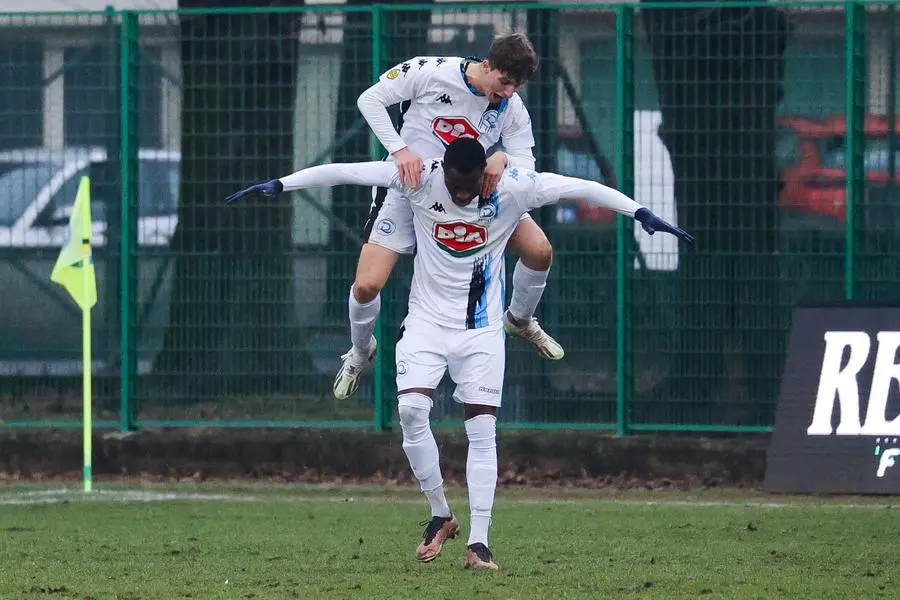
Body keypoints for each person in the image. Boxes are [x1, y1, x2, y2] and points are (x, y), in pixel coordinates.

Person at [225, 137, 694, 570]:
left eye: (471, 186)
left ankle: (479, 542)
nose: (463, 193)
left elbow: (582, 187)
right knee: (410, 410)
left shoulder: (511, 187)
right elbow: (347, 171)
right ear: (444, 171)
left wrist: (639, 213)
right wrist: (281, 184)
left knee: (482, 429)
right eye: (456, 184)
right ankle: (441, 515)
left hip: (481, 331)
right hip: (426, 322)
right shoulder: (420, 177)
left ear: (483, 177)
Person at [337, 32, 561, 402]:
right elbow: (370, 99)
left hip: (467, 195)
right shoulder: (429, 71)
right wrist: (399, 150)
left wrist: (502, 158)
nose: (507, 92)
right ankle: (360, 351)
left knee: (539, 251)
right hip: (411, 190)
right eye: (504, 82)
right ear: (487, 66)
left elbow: (527, 165)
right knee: (366, 286)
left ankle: (520, 320)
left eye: (515, 86)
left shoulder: (510, 108)